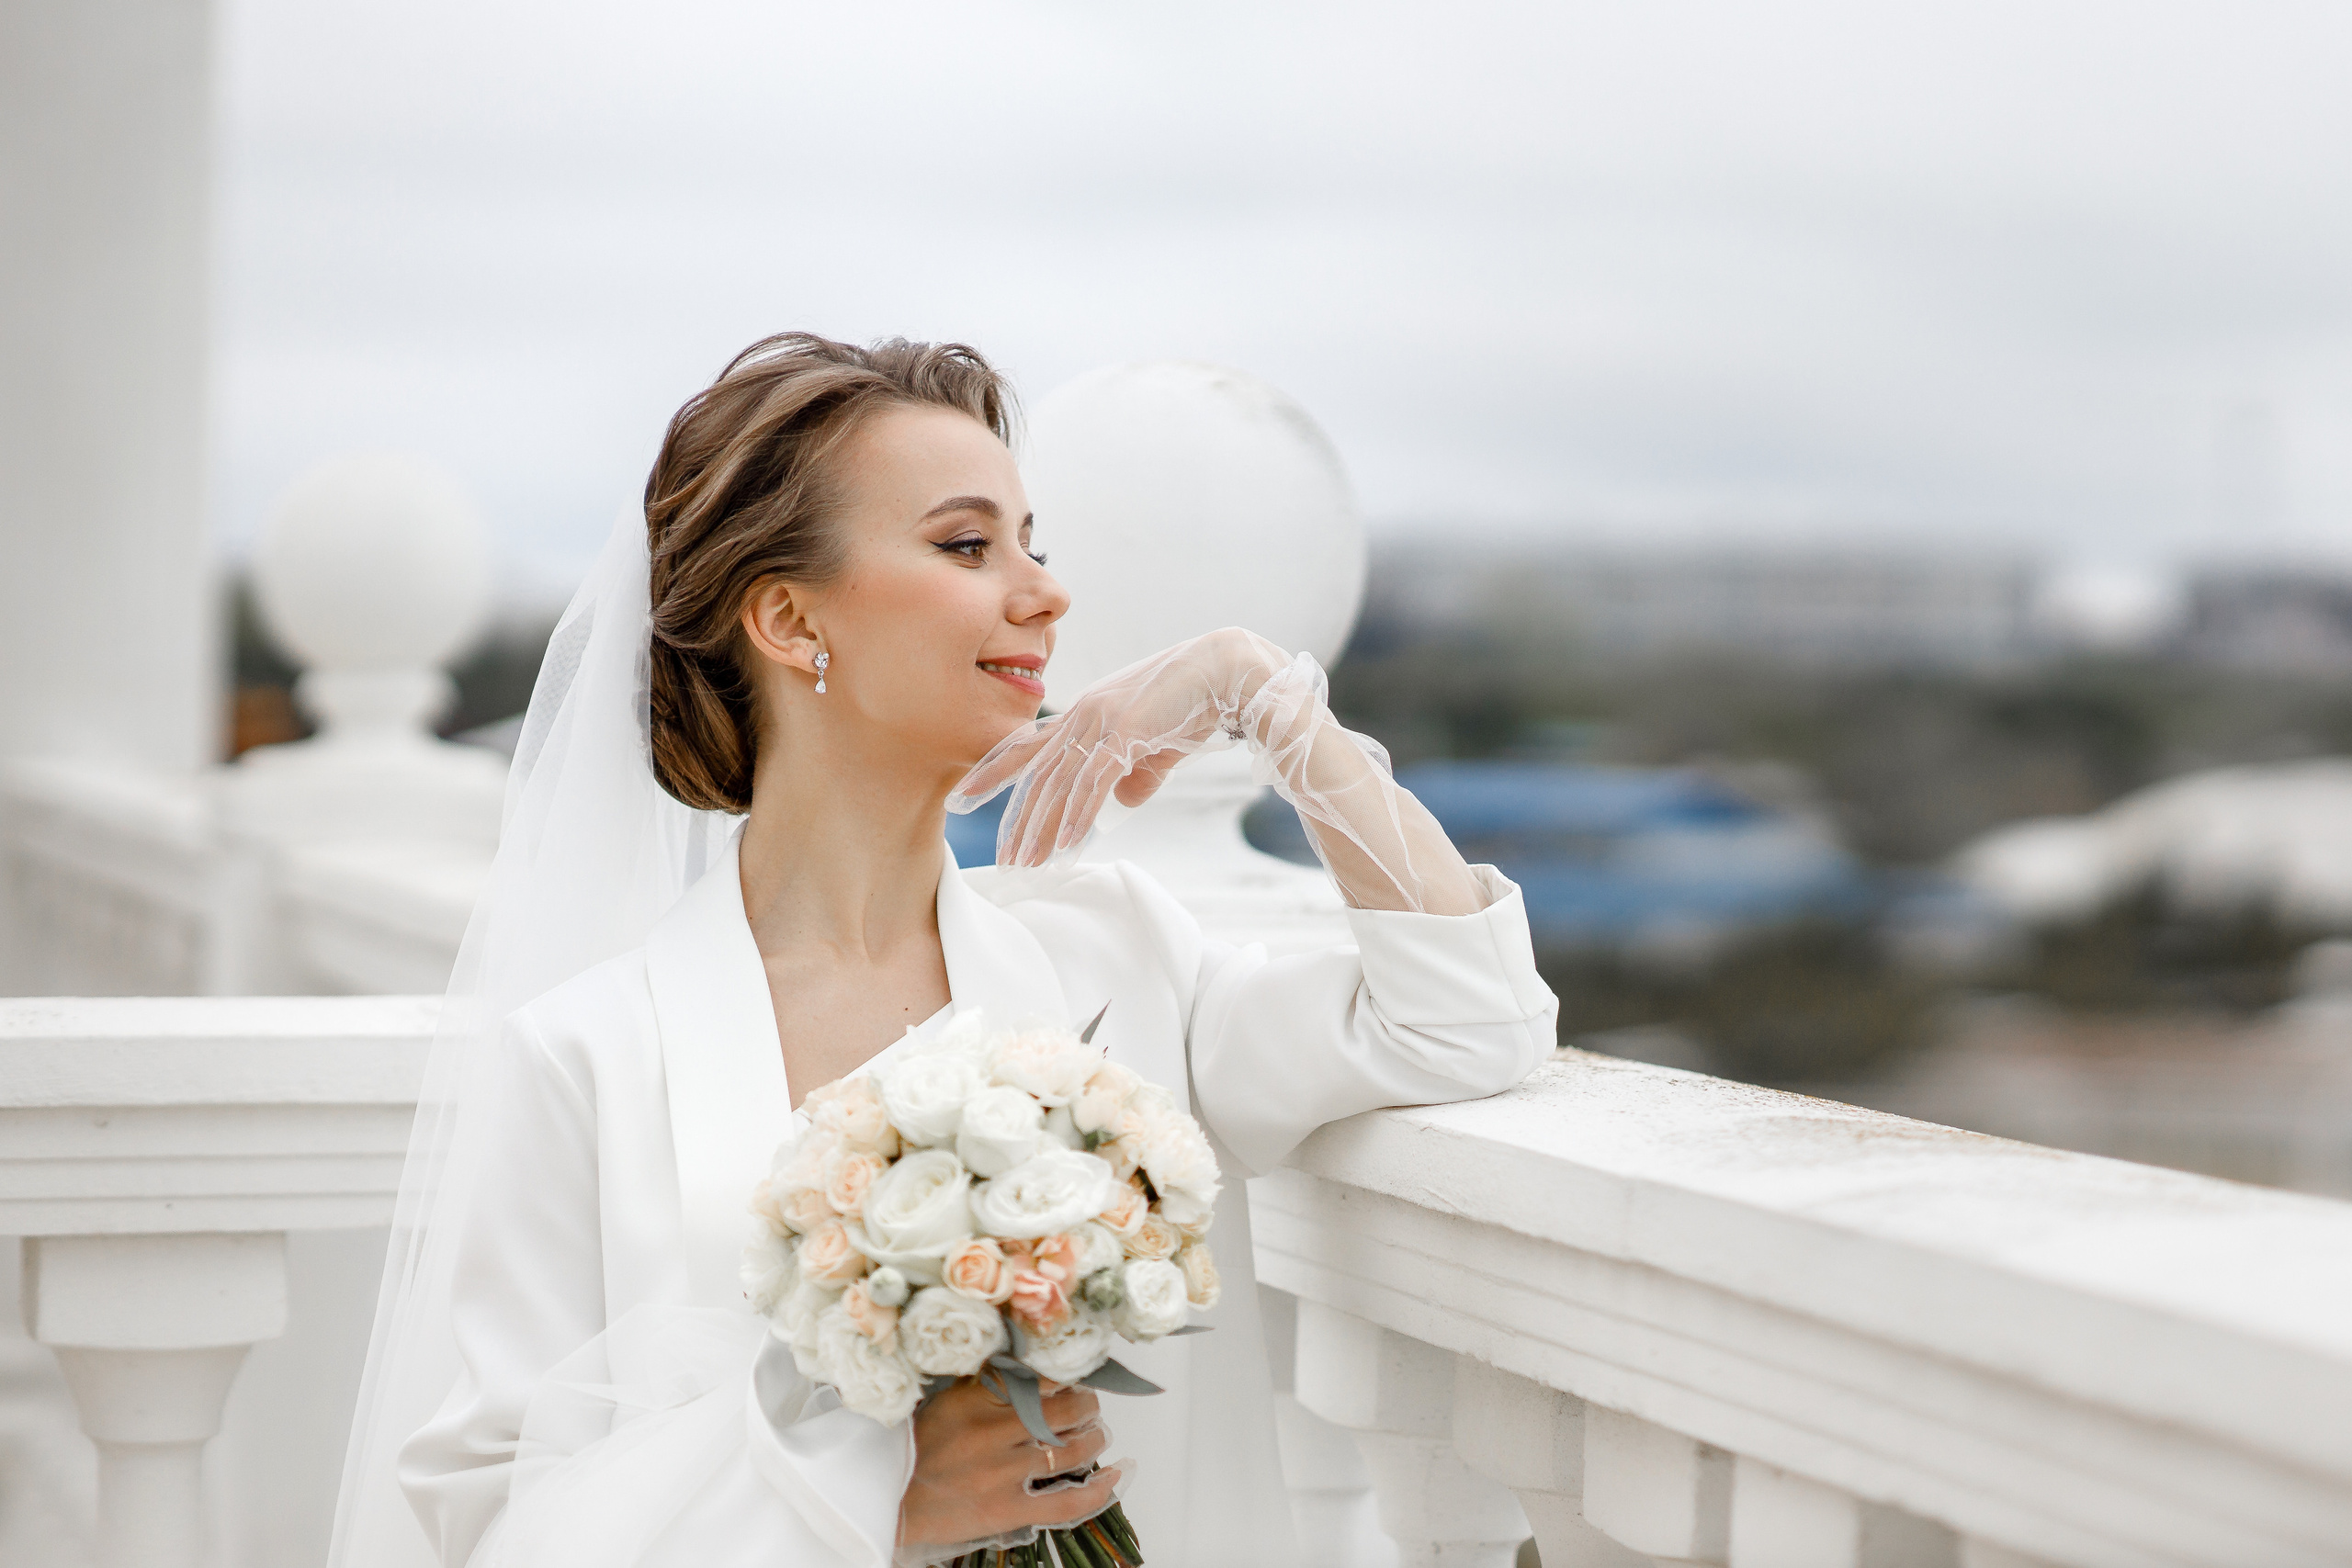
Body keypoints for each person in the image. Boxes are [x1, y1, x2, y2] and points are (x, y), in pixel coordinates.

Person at [332, 333, 1557, 1568]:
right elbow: (494, 1522)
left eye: (1036, 543)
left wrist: (1267, 700)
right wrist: (879, 1500)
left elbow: (1468, 1018)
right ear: (788, 617)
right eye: (968, 546)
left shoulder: (1111, 954)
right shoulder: (587, 1055)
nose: (1043, 593)